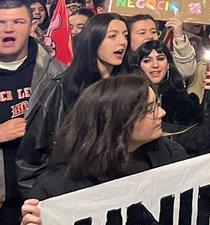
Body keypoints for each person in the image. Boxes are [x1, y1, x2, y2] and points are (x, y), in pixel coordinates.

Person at [5, 75, 195, 225]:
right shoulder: (58, 188)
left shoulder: (169, 155)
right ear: (119, 120)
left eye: (157, 104)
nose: (161, 113)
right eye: (150, 108)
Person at [0, 0, 63, 225]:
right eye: (1, 22)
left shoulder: (54, 73)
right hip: (0, 199)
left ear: (32, 25)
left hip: (37, 201)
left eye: (17, 22)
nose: (8, 29)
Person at [16, 13, 128, 198]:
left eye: (125, 35)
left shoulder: (130, 85)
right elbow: (30, 159)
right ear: (93, 39)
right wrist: (41, 201)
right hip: (69, 193)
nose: (122, 42)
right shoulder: (61, 87)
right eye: (113, 36)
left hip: (115, 191)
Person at [134, 39, 210, 156]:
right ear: (138, 66)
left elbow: (204, 137)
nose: (155, 65)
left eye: (160, 59)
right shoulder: (131, 100)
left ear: (168, 65)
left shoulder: (182, 101)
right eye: (147, 60)